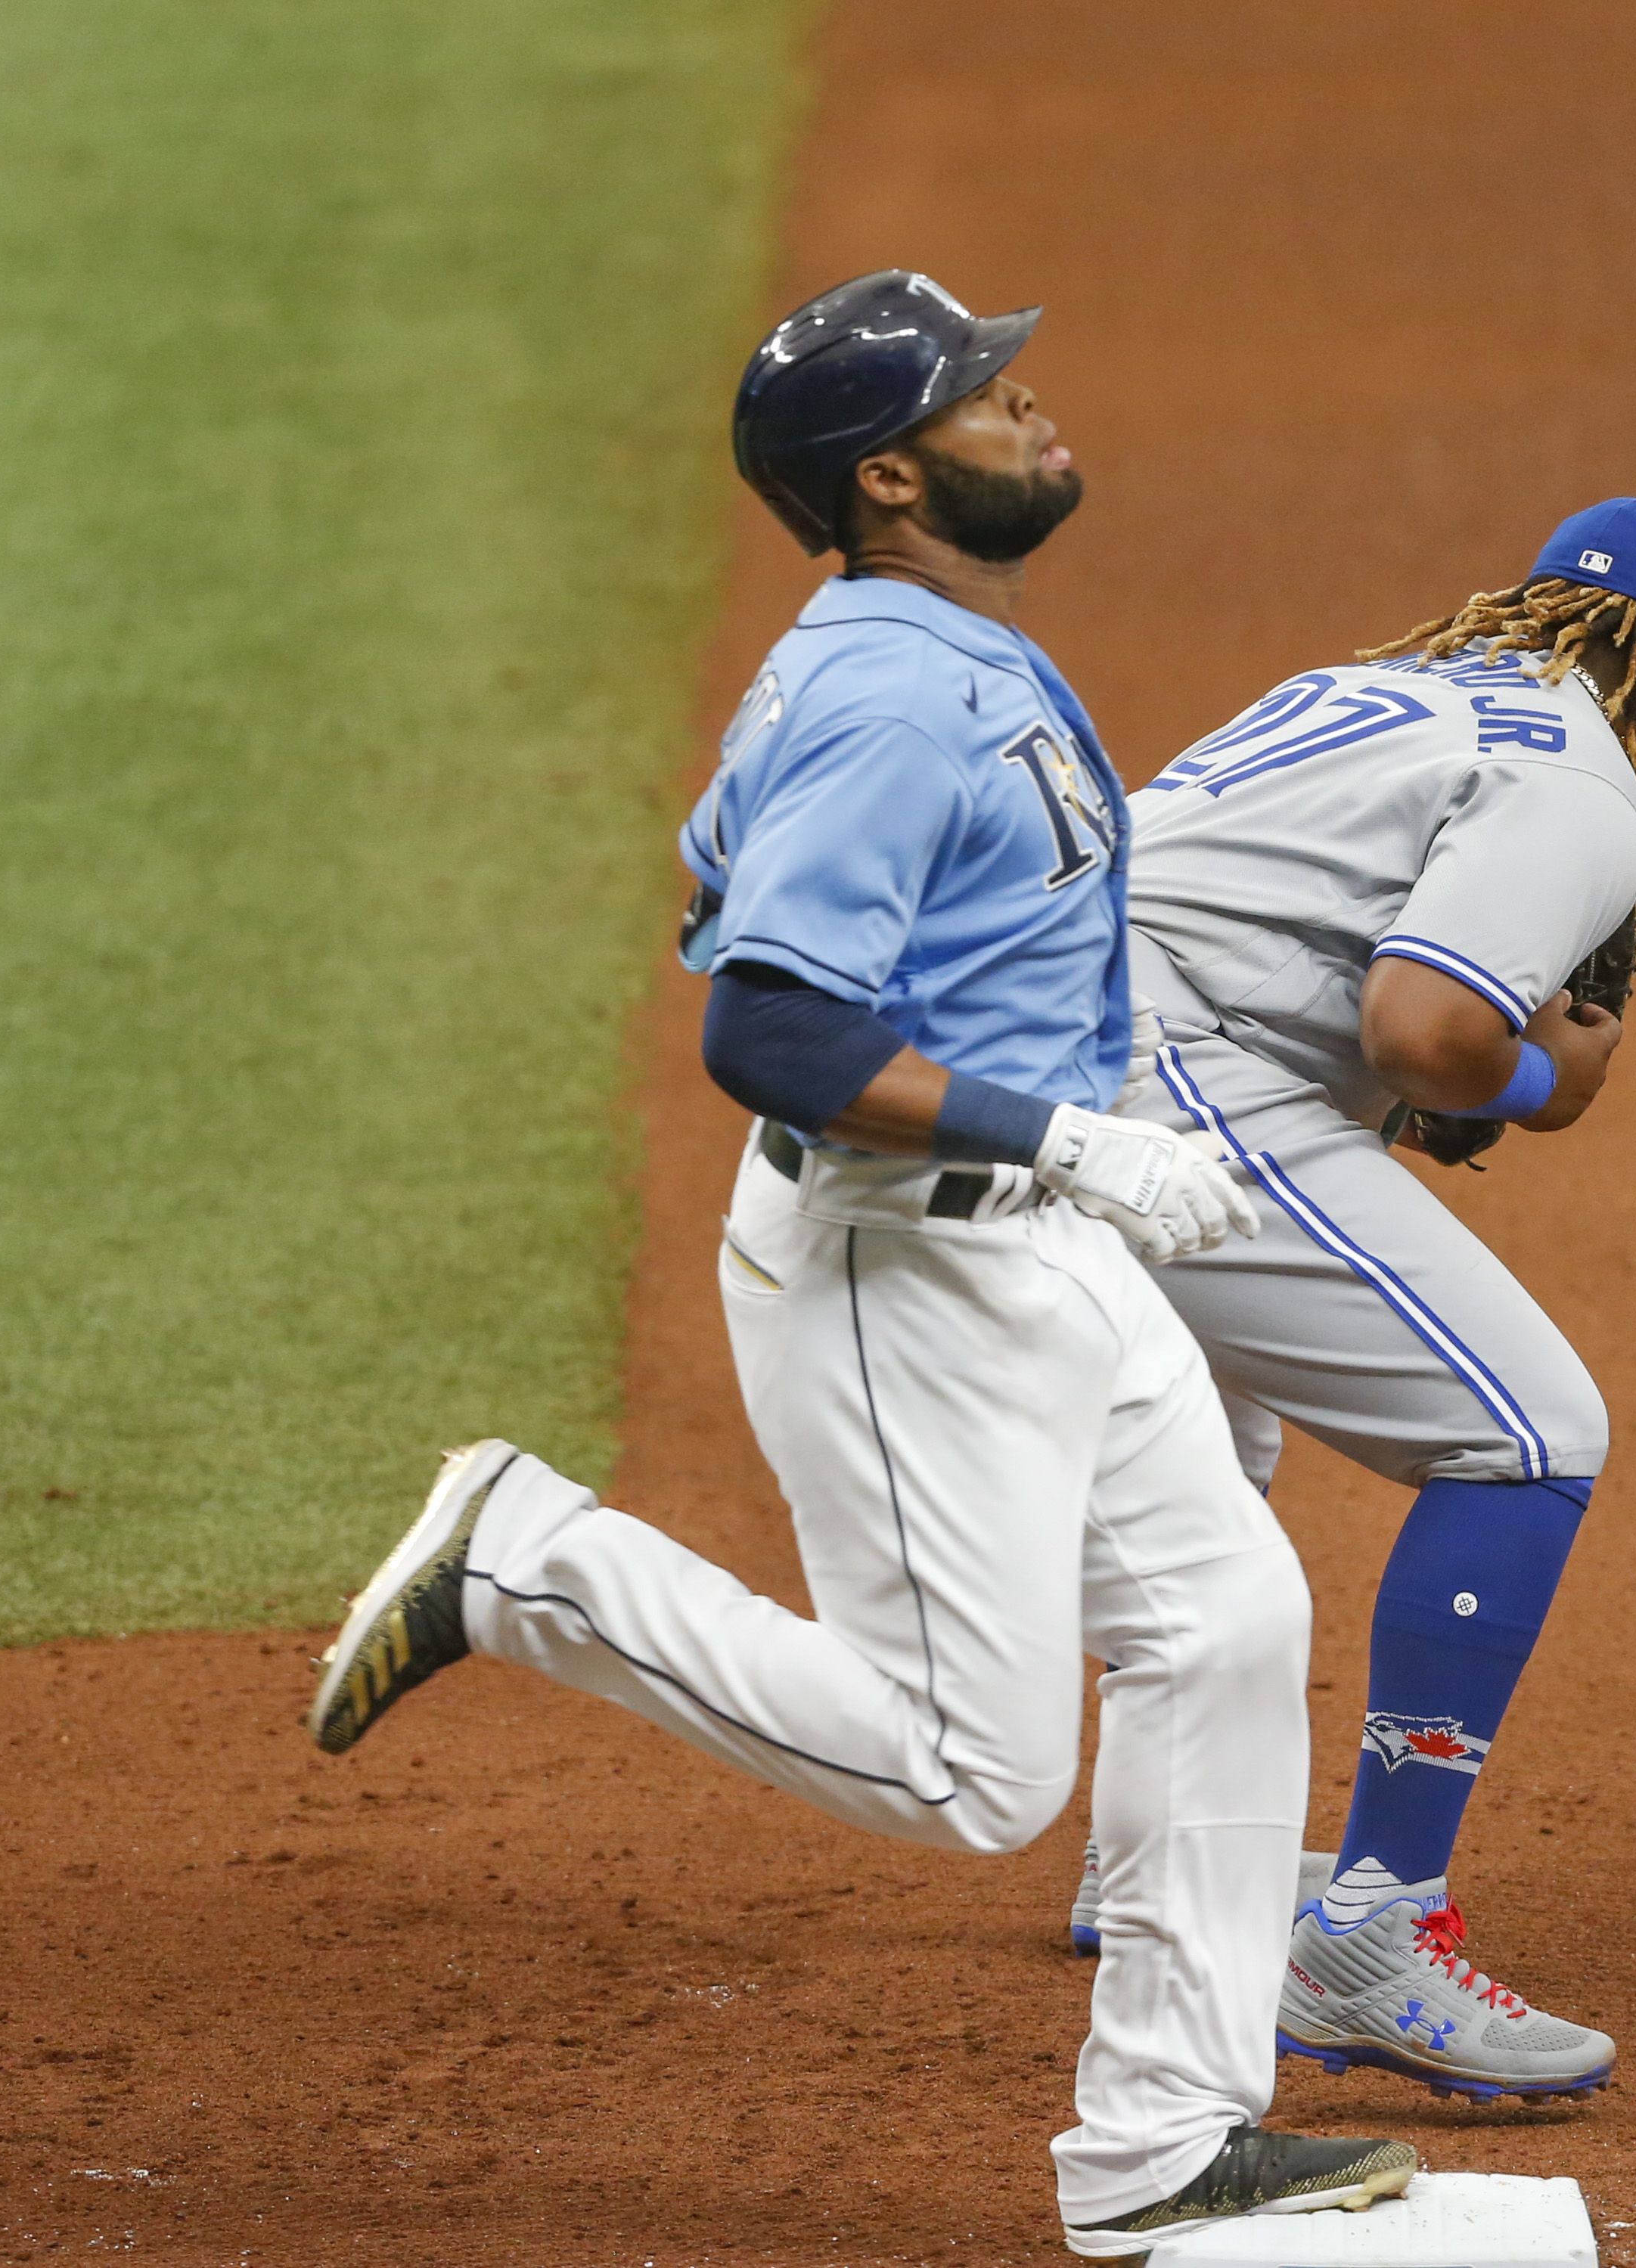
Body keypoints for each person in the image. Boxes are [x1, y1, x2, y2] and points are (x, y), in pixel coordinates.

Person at [305, 270, 1415, 2257]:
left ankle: (1163, 2144)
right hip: (908, 1276)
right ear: (891, 475)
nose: (1036, 408)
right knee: (967, 1774)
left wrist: (1089, 1148)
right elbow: (770, 1033)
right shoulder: (894, 699)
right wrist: (1069, 1136)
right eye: (990, 399)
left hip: (1040, 1249)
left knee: (1228, 1620)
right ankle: (527, 1561)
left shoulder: (932, 645)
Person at [1066, 499, 1636, 2103]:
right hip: (1156, 1068)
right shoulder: (1580, 778)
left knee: (1210, 1440)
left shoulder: (1370, 691)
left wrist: (1446, 1085)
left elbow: (1298, 961)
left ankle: (1156, 1869)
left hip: (1046, 1045)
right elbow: (1420, 1029)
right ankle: (1372, 1935)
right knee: (1530, 1437)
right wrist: (1539, 1077)